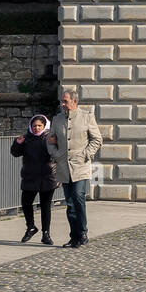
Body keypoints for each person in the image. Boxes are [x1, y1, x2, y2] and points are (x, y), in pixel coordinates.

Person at [47, 87, 103, 247]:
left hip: (81, 166)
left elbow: (97, 139)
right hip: (64, 167)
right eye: (61, 102)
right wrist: (56, 154)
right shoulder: (57, 119)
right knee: (69, 203)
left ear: (74, 102)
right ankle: (74, 236)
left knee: (78, 197)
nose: (62, 104)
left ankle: (83, 232)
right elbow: (50, 140)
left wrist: (86, 154)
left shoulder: (87, 117)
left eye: (65, 101)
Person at [11, 113, 59, 245]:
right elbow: (15, 153)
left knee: (45, 206)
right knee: (26, 203)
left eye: (39, 125)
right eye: (35, 126)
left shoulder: (50, 137)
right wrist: (17, 143)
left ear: (44, 126)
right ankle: (31, 227)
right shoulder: (26, 138)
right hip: (30, 175)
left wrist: (56, 143)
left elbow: (59, 153)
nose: (37, 128)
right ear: (31, 127)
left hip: (47, 176)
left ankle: (46, 233)